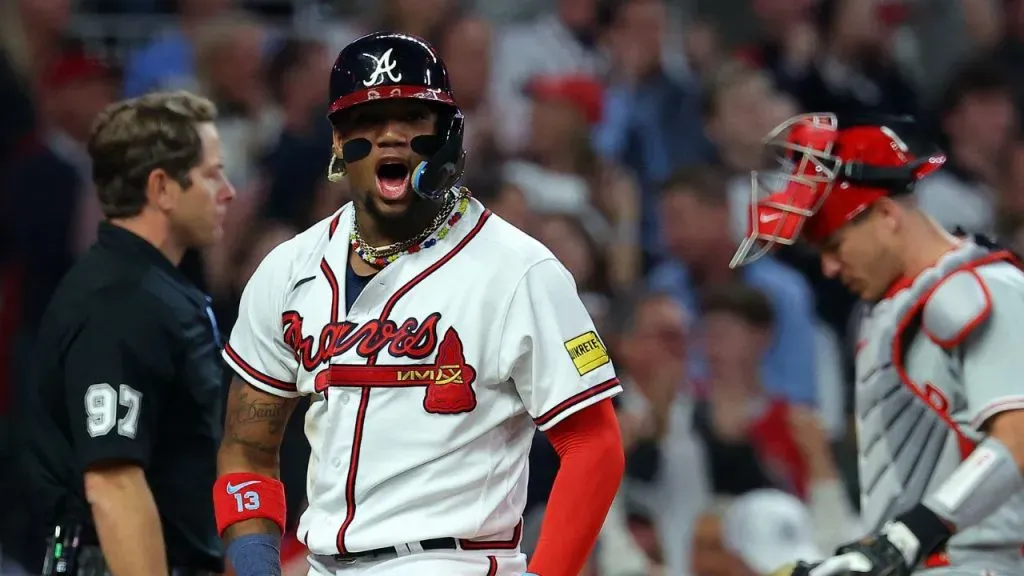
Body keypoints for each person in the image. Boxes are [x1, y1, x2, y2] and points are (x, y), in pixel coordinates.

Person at [213, 32, 625, 576]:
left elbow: (593, 444)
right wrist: (255, 566)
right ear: (339, 141)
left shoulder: (520, 270)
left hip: (452, 559)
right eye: (368, 121)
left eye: (412, 119)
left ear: (448, 136)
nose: (390, 138)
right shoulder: (289, 269)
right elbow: (246, 449)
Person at [731, 112, 1024, 576]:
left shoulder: (985, 288)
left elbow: (1019, 437)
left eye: (834, 245)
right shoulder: (887, 311)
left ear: (887, 216)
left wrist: (908, 535)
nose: (828, 268)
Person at [20, 90, 236, 576]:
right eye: (211, 173)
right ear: (161, 187)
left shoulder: (149, 289)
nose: (229, 191)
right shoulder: (118, 303)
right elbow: (114, 481)